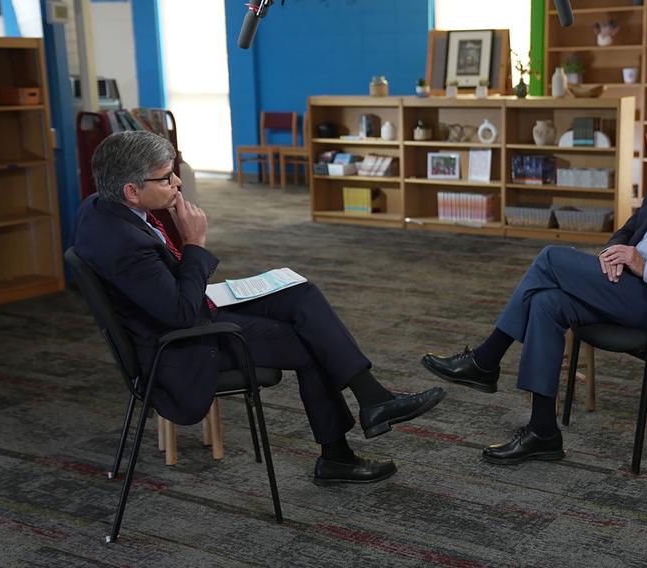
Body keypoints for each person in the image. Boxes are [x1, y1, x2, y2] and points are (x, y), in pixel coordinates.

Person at [73, 130, 445, 486]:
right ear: (131, 191)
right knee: (312, 343)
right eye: (166, 179)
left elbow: (167, 295)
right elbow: (182, 315)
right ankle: (338, 454)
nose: (177, 184)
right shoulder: (125, 245)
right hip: (184, 348)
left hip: (184, 314)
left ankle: (372, 399)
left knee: (301, 293)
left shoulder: (101, 207)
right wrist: (194, 242)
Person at [422, 84, 647, 465]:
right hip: (627, 285)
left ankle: (486, 361)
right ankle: (543, 432)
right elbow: (633, 227)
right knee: (547, 302)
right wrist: (613, 252)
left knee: (551, 257)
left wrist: (644, 266)